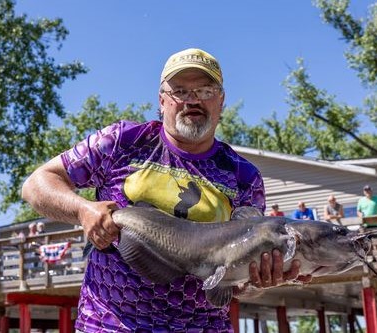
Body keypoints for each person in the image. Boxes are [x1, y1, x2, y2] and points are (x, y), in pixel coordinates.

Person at [21, 48, 310, 332]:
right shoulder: (122, 141)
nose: (192, 101)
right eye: (180, 91)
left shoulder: (243, 176)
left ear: (221, 102)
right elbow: (37, 184)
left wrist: (258, 282)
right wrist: (83, 210)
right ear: (162, 101)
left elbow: (237, 286)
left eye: (205, 91)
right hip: (109, 324)